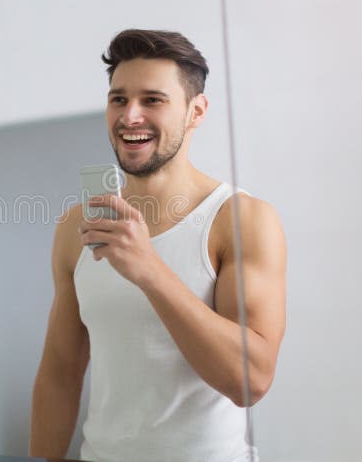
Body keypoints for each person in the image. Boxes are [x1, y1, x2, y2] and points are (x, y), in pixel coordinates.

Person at [30, 29, 287, 461]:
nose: (130, 115)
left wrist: (150, 271)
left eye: (153, 100)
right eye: (118, 99)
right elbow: (60, 372)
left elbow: (251, 381)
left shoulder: (242, 220)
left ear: (195, 111)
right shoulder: (77, 227)